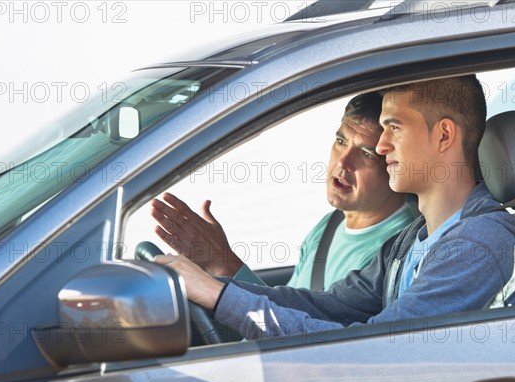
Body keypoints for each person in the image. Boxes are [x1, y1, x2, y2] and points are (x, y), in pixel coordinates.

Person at [155, 75, 515, 341]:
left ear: (445, 135)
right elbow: (327, 307)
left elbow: (378, 347)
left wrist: (219, 297)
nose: (382, 145)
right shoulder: (411, 242)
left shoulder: (479, 245)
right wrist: (210, 287)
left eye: (394, 128)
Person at [151, 92, 415, 290]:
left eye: (366, 154)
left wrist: (224, 264)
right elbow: (287, 307)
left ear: (393, 163)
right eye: (340, 141)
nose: (343, 163)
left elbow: (311, 338)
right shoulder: (331, 224)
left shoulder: (393, 252)